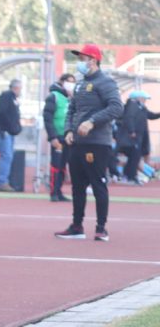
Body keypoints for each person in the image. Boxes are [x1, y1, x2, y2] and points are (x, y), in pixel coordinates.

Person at [55, 44, 123, 242]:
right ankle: (77, 226)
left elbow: (116, 108)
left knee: (98, 184)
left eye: (82, 58)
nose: (80, 63)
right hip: (77, 143)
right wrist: (68, 130)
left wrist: (92, 121)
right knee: (77, 186)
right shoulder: (80, 84)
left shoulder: (106, 82)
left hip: (97, 143)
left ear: (93, 60)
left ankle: (101, 228)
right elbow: (71, 110)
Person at [43, 73, 76, 202]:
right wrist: (53, 137)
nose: (71, 84)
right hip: (58, 136)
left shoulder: (71, 98)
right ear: (61, 82)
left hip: (68, 136)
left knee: (63, 165)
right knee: (56, 164)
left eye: (73, 82)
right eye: (69, 81)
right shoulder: (54, 97)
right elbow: (48, 118)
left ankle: (59, 191)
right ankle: (53, 192)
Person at [116, 90, 160, 185]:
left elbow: (151, 115)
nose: (145, 100)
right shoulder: (132, 105)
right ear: (138, 98)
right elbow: (129, 117)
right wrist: (131, 131)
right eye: (144, 98)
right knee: (134, 157)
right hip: (131, 137)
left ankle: (129, 176)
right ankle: (130, 177)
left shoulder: (141, 107)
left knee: (135, 157)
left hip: (138, 137)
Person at [0, 79, 22, 192]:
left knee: (8, 156)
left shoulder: (12, 98)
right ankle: (2, 182)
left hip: (8, 132)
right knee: (7, 156)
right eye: (20, 88)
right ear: (15, 88)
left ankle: (4, 181)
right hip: (4, 132)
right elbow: (3, 113)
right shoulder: (7, 96)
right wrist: (11, 127)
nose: (20, 90)